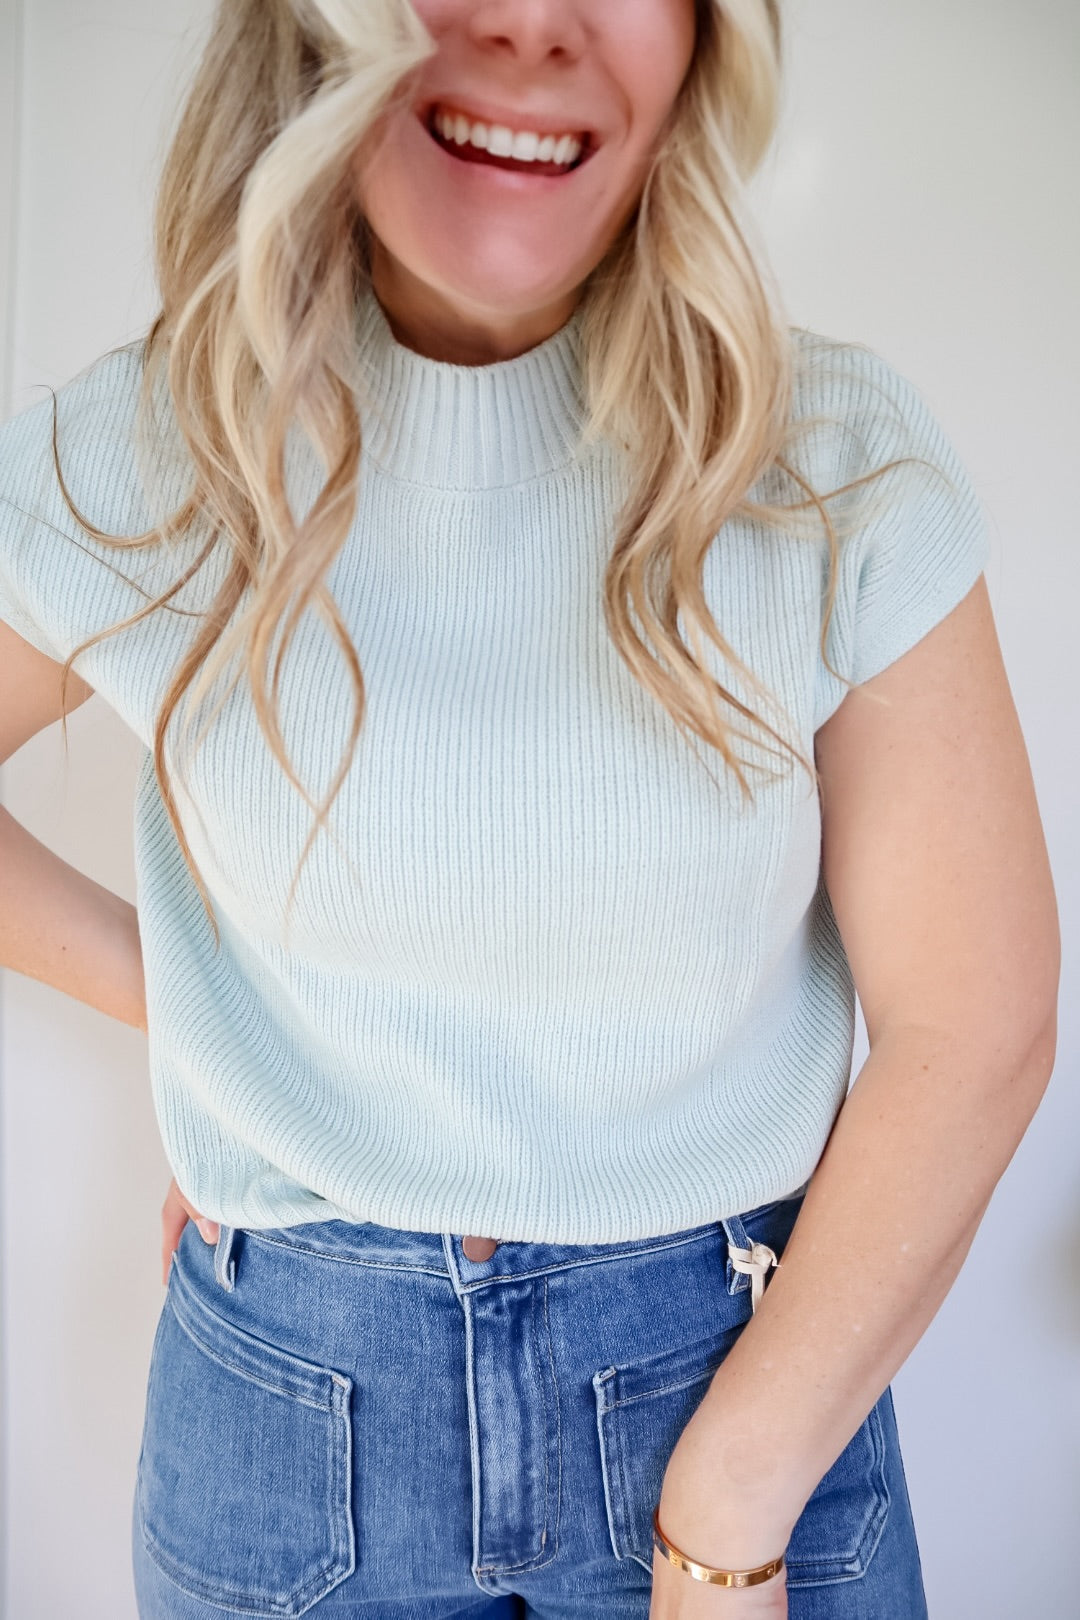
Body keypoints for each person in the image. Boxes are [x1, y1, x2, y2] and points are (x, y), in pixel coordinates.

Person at [0, 0, 1060, 1616]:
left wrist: (732, 1498)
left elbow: (971, 1026)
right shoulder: (151, 454)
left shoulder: (833, 462)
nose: (532, 26)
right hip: (285, 1402)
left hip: (742, 1377)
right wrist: (207, 1020)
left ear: (700, 40)